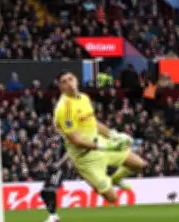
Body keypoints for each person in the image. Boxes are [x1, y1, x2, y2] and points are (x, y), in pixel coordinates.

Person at [53, 71, 147, 205]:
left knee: (140, 164)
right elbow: (76, 141)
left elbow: (93, 123)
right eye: (64, 82)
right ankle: (93, 179)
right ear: (60, 87)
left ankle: (115, 178)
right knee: (112, 198)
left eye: (70, 78)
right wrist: (106, 146)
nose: (69, 83)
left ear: (76, 80)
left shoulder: (84, 98)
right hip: (86, 158)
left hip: (101, 144)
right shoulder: (64, 109)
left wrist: (113, 135)